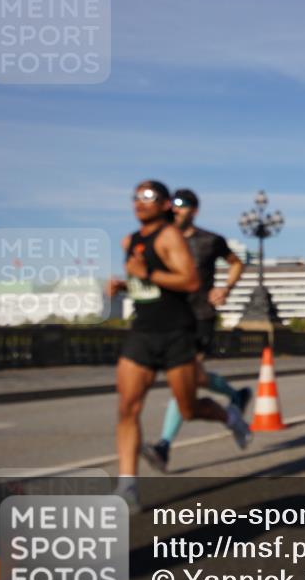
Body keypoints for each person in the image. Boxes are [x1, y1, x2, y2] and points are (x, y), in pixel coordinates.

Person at [107, 180, 250, 511]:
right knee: (127, 408)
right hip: (142, 331)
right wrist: (123, 284)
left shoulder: (174, 238)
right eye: (136, 197)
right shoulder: (130, 240)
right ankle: (128, 486)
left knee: (188, 407)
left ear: (165, 204)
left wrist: (223, 289)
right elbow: (143, 283)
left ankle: (231, 417)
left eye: (149, 197)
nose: (140, 203)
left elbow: (190, 281)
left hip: (178, 331)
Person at [141, 189, 252, 473]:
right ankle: (235, 397)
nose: (176, 210)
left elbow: (237, 263)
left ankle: (164, 447)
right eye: (172, 206)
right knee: (194, 378)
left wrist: (225, 288)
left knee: (185, 381)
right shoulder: (161, 241)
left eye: (182, 206)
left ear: (194, 210)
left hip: (200, 317)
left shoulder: (210, 240)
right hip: (170, 319)